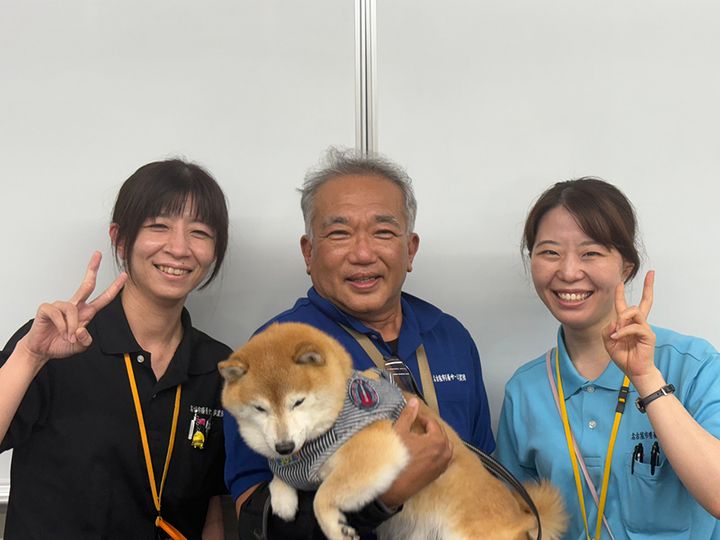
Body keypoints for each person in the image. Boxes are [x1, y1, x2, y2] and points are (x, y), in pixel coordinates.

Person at [224, 147, 495, 539]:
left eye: (383, 232)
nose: (363, 253)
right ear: (309, 252)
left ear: (410, 249)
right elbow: (257, 523)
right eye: (339, 233)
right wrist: (383, 497)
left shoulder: (450, 337)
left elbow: (487, 472)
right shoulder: (272, 354)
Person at [0, 159, 232, 539]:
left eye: (200, 232)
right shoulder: (55, 343)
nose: (179, 248)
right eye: (159, 226)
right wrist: (30, 356)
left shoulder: (219, 367)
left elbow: (210, 505)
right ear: (120, 239)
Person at [495, 177, 720, 539]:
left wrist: (646, 378)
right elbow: (515, 522)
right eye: (550, 252)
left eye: (591, 253)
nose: (569, 272)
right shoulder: (526, 390)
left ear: (626, 266)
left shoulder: (693, 365)